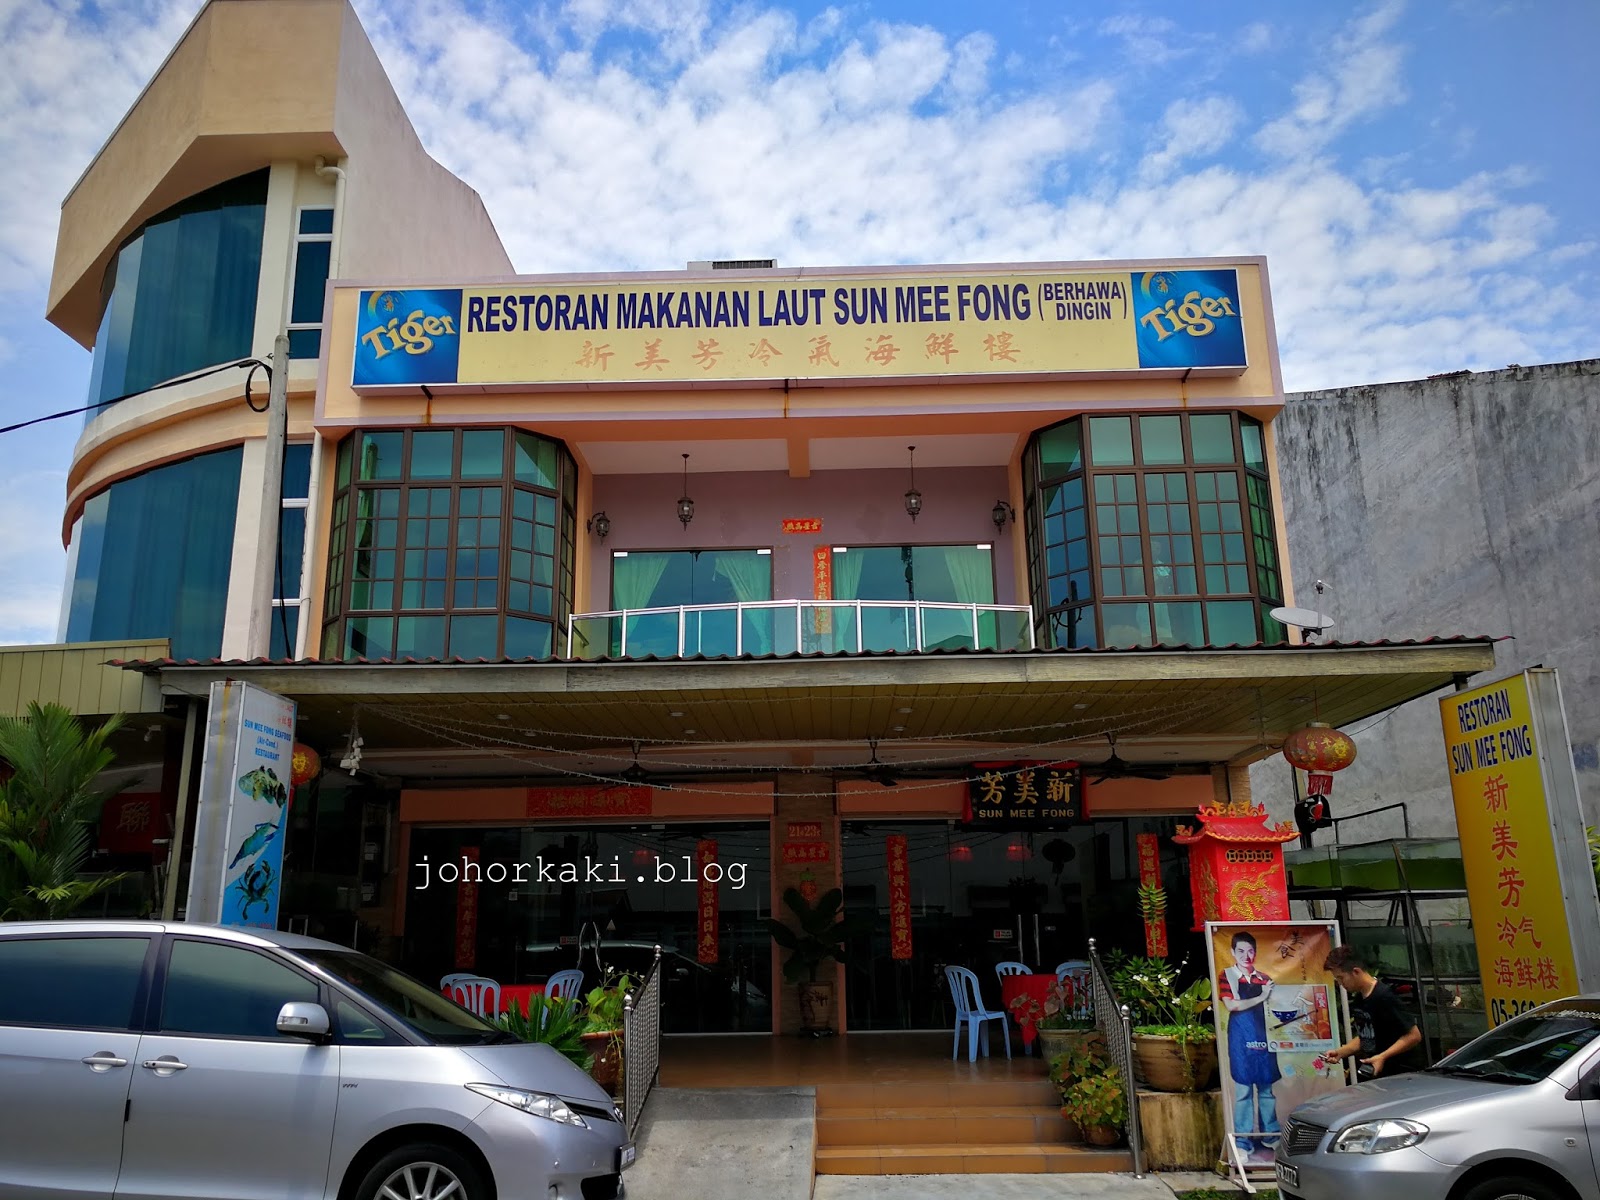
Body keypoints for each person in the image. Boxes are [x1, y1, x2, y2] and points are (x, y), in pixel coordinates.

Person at [1218, 931, 1281, 1156]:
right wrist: (1261, 997)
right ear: (1233, 952)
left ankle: (1271, 1135)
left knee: (1266, 1089)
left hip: (1264, 1034)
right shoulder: (1227, 975)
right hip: (1241, 1037)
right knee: (1243, 1090)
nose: (1247, 955)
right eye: (1241, 951)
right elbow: (1232, 1005)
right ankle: (1242, 1141)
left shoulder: (1265, 978)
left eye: (1251, 951)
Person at [1324, 945, 1423, 1078]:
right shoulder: (1360, 998)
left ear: (1356, 972)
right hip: (1379, 1073)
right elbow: (1368, 1036)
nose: (1340, 983)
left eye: (1341, 978)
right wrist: (1341, 1052)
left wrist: (1382, 1056)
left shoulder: (1384, 996)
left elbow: (1413, 1036)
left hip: (1401, 1075)